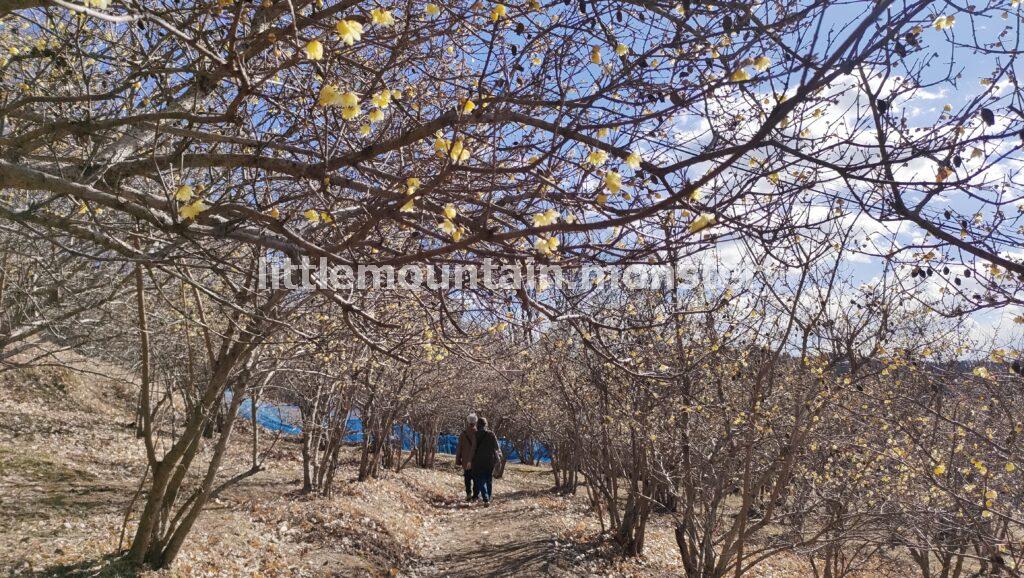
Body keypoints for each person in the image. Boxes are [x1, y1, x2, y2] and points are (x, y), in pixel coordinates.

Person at [471, 417, 502, 506]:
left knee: (480, 479)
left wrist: (470, 460)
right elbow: (497, 447)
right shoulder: (491, 434)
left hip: (478, 461)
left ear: (478, 425)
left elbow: (473, 448)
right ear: (486, 425)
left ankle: (485, 498)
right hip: (490, 460)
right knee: (488, 479)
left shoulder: (475, 434)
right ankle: (489, 497)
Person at [454, 413, 478, 501]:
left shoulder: (463, 434)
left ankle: (468, 493)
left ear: (468, 422)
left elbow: (459, 448)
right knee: (476, 478)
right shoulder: (478, 433)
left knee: (467, 478)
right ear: (476, 421)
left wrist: (458, 460)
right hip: (476, 460)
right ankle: (475, 495)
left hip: (465, 460)